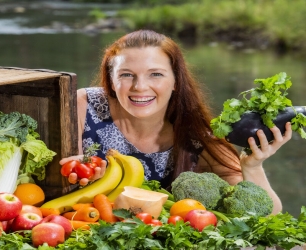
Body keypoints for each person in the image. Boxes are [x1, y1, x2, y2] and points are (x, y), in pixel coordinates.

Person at [60, 29, 292, 214]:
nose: (139, 86)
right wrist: (84, 176)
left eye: (156, 74)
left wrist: (252, 166)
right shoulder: (83, 105)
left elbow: (268, 213)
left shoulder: (196, 137)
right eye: (126, 74)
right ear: (111, 80)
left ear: (175, 82)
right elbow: (61, 189)